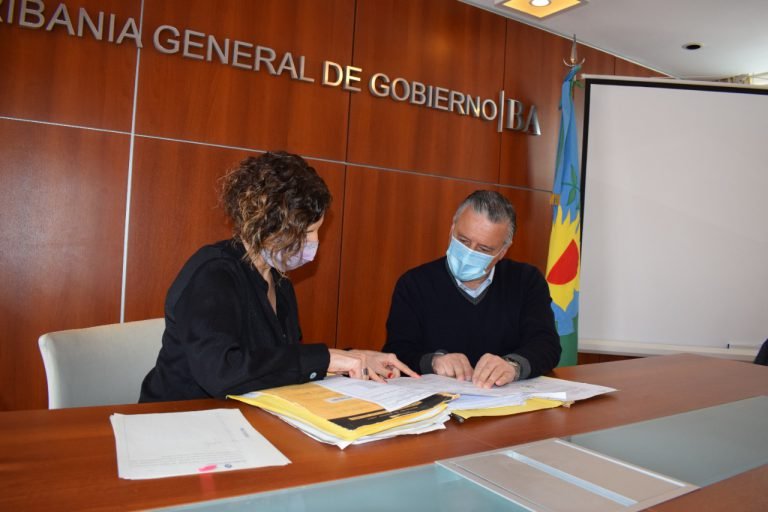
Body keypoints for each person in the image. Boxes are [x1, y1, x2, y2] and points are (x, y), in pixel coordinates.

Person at [141, 151, 415, 402]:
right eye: (305, 233)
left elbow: (275, 363)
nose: (315, 242)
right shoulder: (213, 273)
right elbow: (222, 373)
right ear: (263, 224)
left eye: (316, 231)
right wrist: (325, 359)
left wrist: (352, 359)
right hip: (178, 419)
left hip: (241, 416)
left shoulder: (278, 278)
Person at [382, 190, 561, 389]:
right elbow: (396, 352)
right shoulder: (414, 283)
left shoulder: (526, 281)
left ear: (502, 251)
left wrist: (513, 366)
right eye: (463, 241)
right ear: (452, 229)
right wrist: (433, 362)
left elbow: (547, 345)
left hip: (503, 400)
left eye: (483, 249)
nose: (469, 253)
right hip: (438, 402)